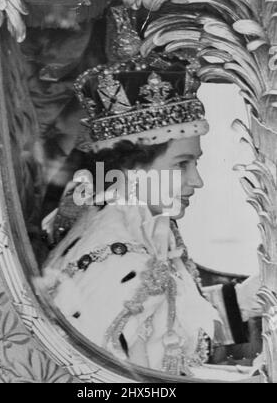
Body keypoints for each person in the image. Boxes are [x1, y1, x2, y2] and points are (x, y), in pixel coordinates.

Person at [37, 50, 262, 379]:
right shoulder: (119, 259)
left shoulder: (131, 226)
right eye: (181, 164)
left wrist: (243, 300)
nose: (196, 180)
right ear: (130, 170)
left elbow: (167, 332)